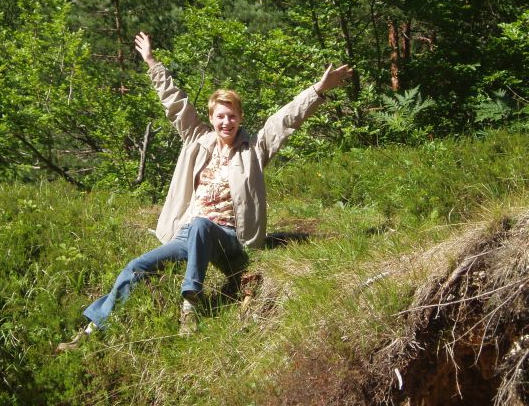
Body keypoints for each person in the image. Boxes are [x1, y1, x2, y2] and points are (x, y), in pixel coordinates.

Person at [56, 32, 352, 351]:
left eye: (232, 116)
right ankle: (90, 333)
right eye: (220, 116)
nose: (226, 122)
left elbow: (285, 119)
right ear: (211, 118)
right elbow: (175, 102)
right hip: (189, 236)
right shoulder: (197, 140)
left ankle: (190, 305)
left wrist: (318, 89)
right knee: (136, 266)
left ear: (240, 118)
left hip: (230, 240)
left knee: (201, 225)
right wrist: (152, 62)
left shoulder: (254, 149)